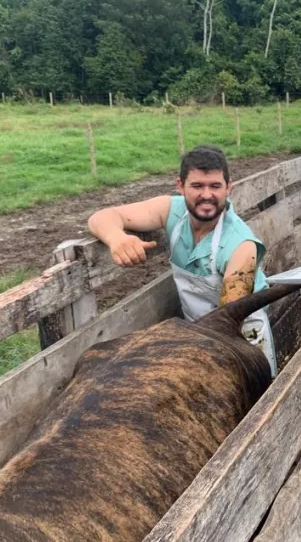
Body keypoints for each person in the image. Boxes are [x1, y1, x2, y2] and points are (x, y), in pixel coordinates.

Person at [87, 144, 278, 375]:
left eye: (215, 186)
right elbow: (101, 217)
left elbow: (228, 321)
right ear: (180, 186)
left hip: (241, 337)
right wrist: (116, 238)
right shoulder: (172, 211)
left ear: (228, 187)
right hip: (198, 331)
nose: (206, 195)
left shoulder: (241, 246)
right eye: (197, 186)